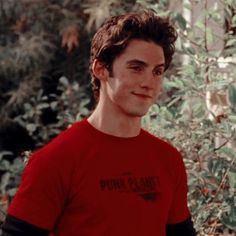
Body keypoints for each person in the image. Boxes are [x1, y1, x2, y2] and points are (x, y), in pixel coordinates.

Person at [0, 10, 196, 236]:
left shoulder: (168, 159)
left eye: (157, 71)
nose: (149, 83)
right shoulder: (54, 162)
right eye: (136, 68)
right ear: (101, 69)